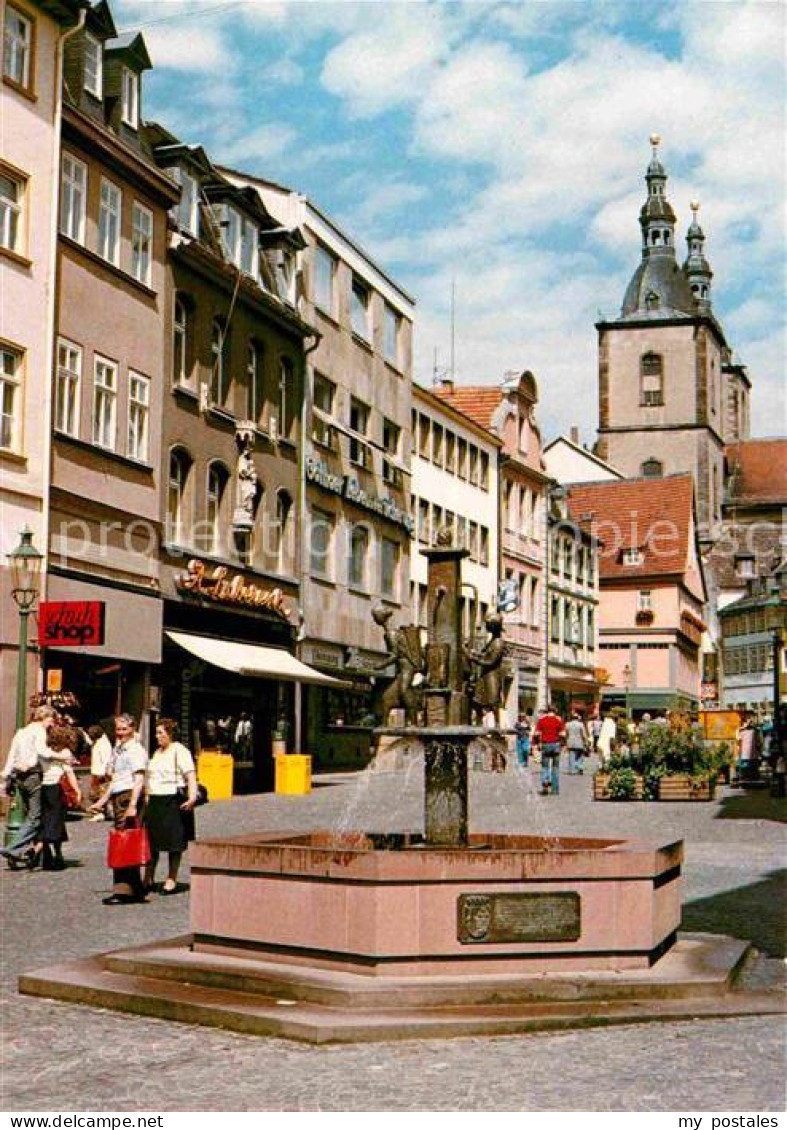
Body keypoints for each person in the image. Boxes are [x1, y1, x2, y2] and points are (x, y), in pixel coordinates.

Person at [90, 713, 148, 904]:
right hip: (119, 796)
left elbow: (138, 779)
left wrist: (132, 805)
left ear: (132, 729)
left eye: (124, 729)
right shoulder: (119, 749)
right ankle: (135, 887)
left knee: (124, 842)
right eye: (118, 729)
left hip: (129, 796)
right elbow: (114, 779)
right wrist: (102, 801)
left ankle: (123, 891)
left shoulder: (136, 750)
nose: (120, 733)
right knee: (123, 840)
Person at [143, 718, 198, 895]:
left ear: (170, 734)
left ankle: (171, 878)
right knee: (153, 842)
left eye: (160, 732)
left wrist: (192, 797)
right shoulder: (157, 753)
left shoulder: (180, 751)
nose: (157, 736)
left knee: (174, 842)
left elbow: (190, 775)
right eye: (156, 732)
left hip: (172, 800)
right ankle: (148, 877)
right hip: (155, 800)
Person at [0, 705, 55, 869]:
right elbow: (42, 752)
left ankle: (31, 851)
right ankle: (13, 848)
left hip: (19, 778)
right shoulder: (39, 731)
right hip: (32, 776)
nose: (51, 724)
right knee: (35, 817)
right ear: (44, 718)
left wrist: (6, 774)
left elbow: (12, 755)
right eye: (51, 720)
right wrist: (62, 756)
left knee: (26, 816)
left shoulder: (21, 731)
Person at [34, 724, 79, 871]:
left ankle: (46, 854)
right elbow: (69, 772)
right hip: (57, 788)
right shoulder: (64, 752)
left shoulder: (45, 752)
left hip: (44, 787)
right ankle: (55, 854)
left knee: (46, 819)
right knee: (57, 821)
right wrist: (77, 790)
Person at [534, 704, 565, 795]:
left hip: (545, 744)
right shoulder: (558, 720)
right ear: (555, 711)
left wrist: (537, 744)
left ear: (547, 711)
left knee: (545, 766)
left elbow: (536, 734)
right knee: (555, 767)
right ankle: (555, 789)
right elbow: (562, 734)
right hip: (556, 745)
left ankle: (545, 784)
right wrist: (562, 745)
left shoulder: (542, 720)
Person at [87, 724, 113, 819]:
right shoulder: (99, 741)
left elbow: (106, 759)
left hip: (100, 772)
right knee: (95, 793)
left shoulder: (104, 744)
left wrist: (105, 772)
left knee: (100, 793)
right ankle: (101, 811)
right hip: (96, 771)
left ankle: (100, 812)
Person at [565, 710, 589, 774]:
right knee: (580, 756)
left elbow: (566, 734)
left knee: (571, 756)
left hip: (570, 742)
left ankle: (571, 770)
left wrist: (566, 742)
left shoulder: (567, 724)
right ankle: (579, 767)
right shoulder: (581, 724)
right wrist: (586, 742)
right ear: (577, 718)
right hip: (579, 742)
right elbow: (583, 734)